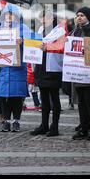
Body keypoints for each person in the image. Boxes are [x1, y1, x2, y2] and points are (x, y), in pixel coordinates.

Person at [0, 4, 30, 132]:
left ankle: (16, 121)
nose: (9, 17)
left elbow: (35, 42)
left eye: (12, 14)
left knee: (16, 97)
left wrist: (23, 41)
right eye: (7, 14)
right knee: (3, 96)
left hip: (17, 69)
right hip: (3, 68)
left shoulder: (23, 28)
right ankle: (5, 121)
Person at [30, 8, 66, 137]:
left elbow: (61, 47)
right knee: (44, 98)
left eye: (47, 17)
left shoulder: (60, 31)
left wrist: (47, 47)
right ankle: (43, 125)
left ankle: (54, 127)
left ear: (53, 19)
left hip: (53, 68)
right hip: (41, 66)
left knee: (54, 99)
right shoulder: (40, 30)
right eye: (42, 17)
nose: (44, 20)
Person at [69, 7, 90, 141]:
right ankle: (84, 127)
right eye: (77, 15)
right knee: (81, 102)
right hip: (77, 70)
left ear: (88, 16)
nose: (79, 17)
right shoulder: (75, 31)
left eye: (82, 15)